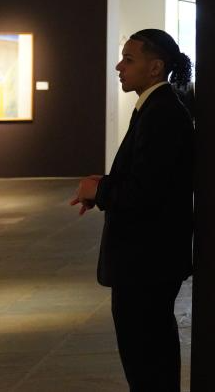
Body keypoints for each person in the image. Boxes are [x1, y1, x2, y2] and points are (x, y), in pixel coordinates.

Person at [71, 29, 194, 392]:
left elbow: (146, 191)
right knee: (150, 353)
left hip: (146, 261)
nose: (119, 67)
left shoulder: (162, 113)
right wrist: (106, 185)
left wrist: (99, 190)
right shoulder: (157, 108)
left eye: (128, 59)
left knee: (146, 358)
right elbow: (148, 177)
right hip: (149, 260)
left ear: (155, 67)